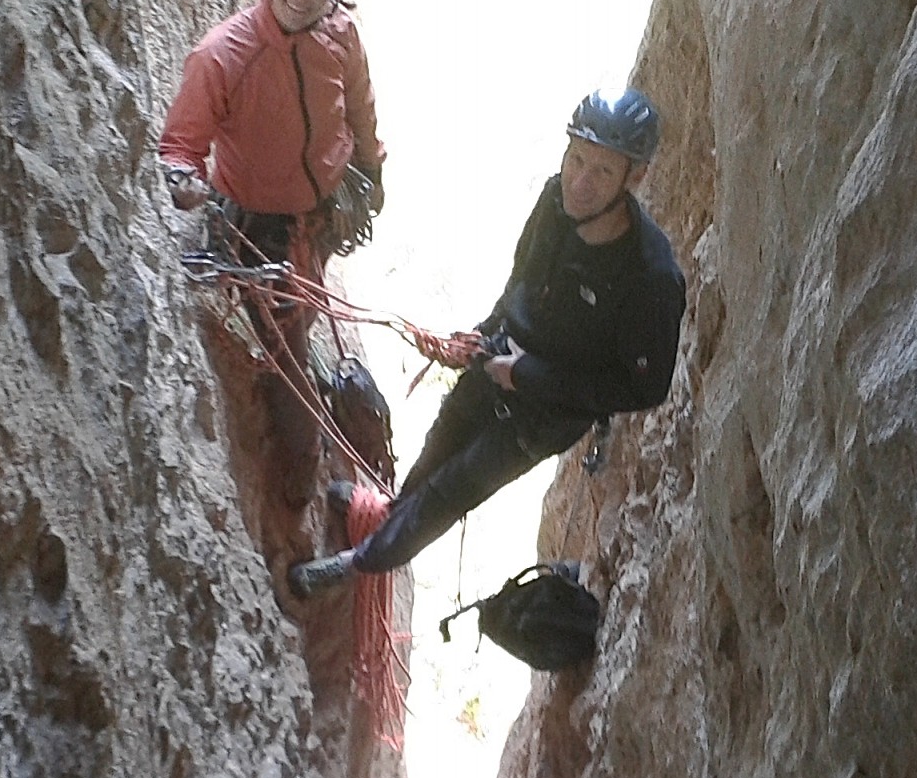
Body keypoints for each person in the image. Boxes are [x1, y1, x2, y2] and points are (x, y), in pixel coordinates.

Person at [288, 87, 685, 597]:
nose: (580, 182)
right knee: (438, 448)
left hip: (543, 414)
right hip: (498, 355)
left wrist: (527, 376)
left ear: (635, 177)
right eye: (576, 159)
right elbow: (524, 277)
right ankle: (390, 514)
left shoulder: (650, 277)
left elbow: (644, 387)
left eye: (602, 171)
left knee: (451, 492)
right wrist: (486, 333)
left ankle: (360, 564)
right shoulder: (555, 202)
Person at [159, 0, 385, 500]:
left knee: (304, 308)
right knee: (289, 360)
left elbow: (360, 108)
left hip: (325, 208)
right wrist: (184, 182)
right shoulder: (224, 56)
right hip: (261, 226)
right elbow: (181, 145)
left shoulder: (341, 37)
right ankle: (297, 482)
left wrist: (372, 168)